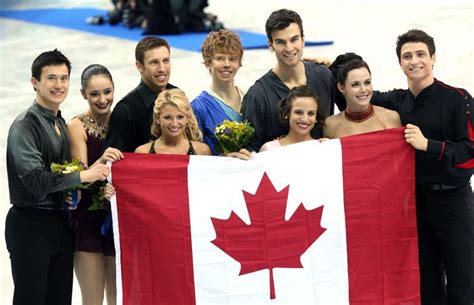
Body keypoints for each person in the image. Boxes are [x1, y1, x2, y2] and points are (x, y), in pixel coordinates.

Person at [371, 29, 473, 305]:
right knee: (426, 285)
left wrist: (429, 144)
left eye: (420, 54)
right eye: (407, 56)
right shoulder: (397, 101)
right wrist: (328, 66)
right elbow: (358, 94)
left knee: (463, 282)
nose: (414, 61)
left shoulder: (457, 98)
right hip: (416, 205)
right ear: (400, 63)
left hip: (455, 204)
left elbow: (470, 152)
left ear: (433, 58)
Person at [5, 49, 110, 305]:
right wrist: (83, 175)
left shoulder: (59, 122)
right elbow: (35, 180)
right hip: (31, 225)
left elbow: (61, 174)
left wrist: (74, 193)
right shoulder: (25, 126)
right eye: (51, 78)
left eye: (64, 78)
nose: (58, 85)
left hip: (60, 225)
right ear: (35, 83)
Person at [67, 64, 124, 305]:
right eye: (94, 94)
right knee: (92, 300)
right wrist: (100, 160)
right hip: (88, 219)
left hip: (118, 220)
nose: (103, 99)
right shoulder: (76, 126)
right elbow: (80, 176)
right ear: (83, 94)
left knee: (118, 299)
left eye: (107, 92)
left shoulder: (122, 120)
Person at [241, 8, 335, 152]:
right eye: (280, 42)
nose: (289, 48)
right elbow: (249, 153)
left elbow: (351, 111)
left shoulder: (324, 76)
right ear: (270, 45)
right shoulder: (258, 96)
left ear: (303, 40)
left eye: (294, 39)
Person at [104, 36, 177, 153]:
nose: (162, 69)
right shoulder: (125, 110)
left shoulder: (178, 96)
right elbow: (113, 162)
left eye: (166, 61)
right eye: (154, 62)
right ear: (139, 66)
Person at [191, 29, 244, 155]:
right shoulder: (198, 107)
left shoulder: (250, 98)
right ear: (208, 63)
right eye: (220, 58)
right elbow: (195, 155)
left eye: (232, 59)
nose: (227, 64)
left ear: (239, 63)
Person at [324, 58, 401, 138]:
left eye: (367, 83)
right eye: (355, 84)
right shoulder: (330, 125)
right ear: (341, 88)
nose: (363, 90)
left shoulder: (391, 118)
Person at [135, 88, 211, 155]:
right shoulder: (143, 152)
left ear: (188, 118)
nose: (174, 123)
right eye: (167, 117)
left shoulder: (202, 151)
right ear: (158, 118)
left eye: (180, 117)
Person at [260, 85, 325, 151]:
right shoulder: (269, 149)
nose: (304, 119)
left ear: (316, 117)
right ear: (287, 113)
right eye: (298, 112)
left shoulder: (323, 147)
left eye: (311, 113)